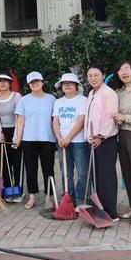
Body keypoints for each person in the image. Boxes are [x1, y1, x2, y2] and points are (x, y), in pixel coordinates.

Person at [13, 71, 56, 210]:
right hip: (28, 139)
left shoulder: (52, 99)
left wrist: (59, 138)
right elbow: (20, 121)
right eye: (32, 82)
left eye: (37, 81)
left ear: (42, 82)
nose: (35, 84)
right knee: (30, 169)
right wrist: (18, 139)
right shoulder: (24, 100)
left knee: (48, 169)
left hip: (47, 138)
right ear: (28, 84)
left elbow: (55, 120)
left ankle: (50, 196)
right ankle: (32, 196)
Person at [85, 64, 119, 221]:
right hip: (93, 140)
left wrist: (101, 136)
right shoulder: (91, 92)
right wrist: (90, 136)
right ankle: (101, 208)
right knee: (97, 176)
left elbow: (110, 117)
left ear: (103, 75)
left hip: (105, 140)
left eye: (96, 75)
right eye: (90, 75)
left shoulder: (108, 93)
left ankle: (111, 212)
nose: (93, 78)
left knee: (107, 176)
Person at [52, 73, 89, 207]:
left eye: (70, 83)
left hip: (79, 142)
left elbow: (81, 121)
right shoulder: (58, 102)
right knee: (66, 173)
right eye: (64, 83)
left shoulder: (82, 100)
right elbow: (55, 121)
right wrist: (59, 138)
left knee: (82, 173)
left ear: (76, 86)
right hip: (62, 142)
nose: (67, 85)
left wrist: (68, 137)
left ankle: (81, 200)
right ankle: (69, 199)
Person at [0, 73, 23, 203]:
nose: (2, 84)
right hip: (2, 134)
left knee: (16, 162)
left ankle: (18, 191)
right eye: (0, 81)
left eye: (5, 81)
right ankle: (8, 190)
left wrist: (17, 136)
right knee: (4, 164)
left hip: (16, 132)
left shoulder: (17, 97)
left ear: (10, 83)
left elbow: (20, 117)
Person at [113, 61, 131, 225]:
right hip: (121, 136)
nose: (124, 72)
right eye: (120, 70)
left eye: (127, 68)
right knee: (127, 173)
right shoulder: (117, 92)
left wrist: (125, 118)